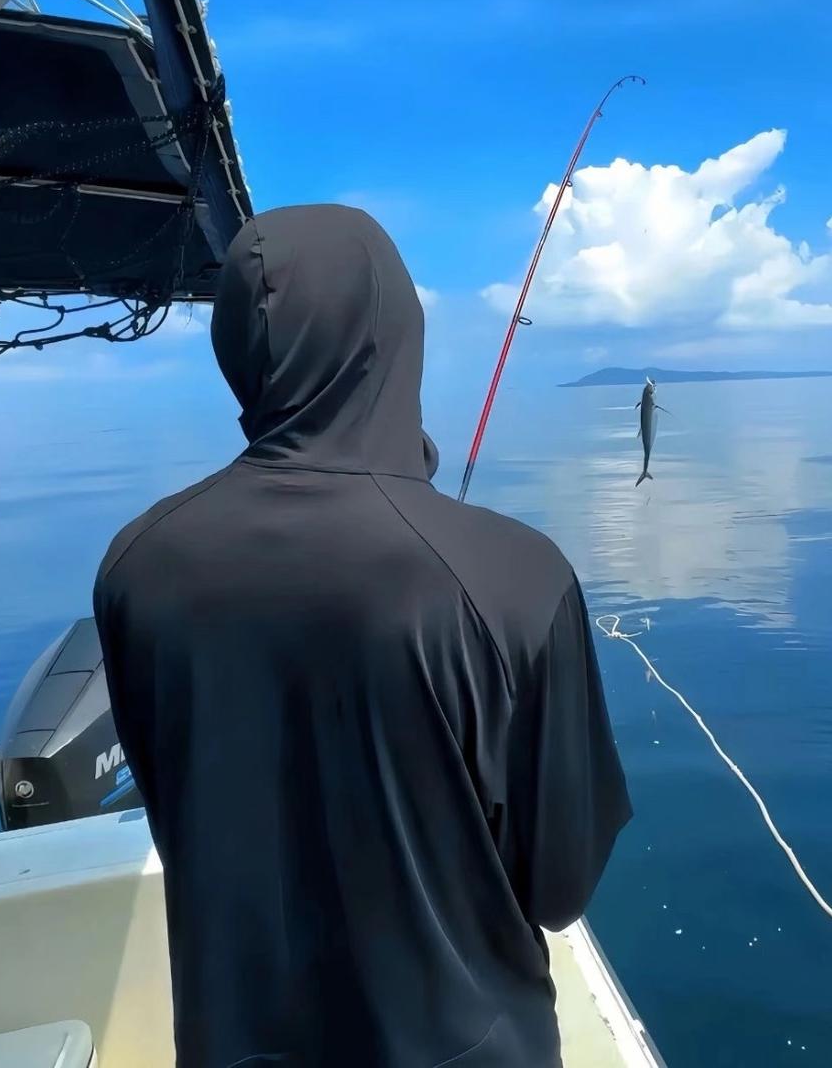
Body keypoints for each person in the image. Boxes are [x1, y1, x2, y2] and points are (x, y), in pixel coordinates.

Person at [93, 204, 632, 1068]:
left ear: (235, 347)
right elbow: (559, 888)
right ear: (397, 337)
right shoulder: (516, 575)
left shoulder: (135, 562)